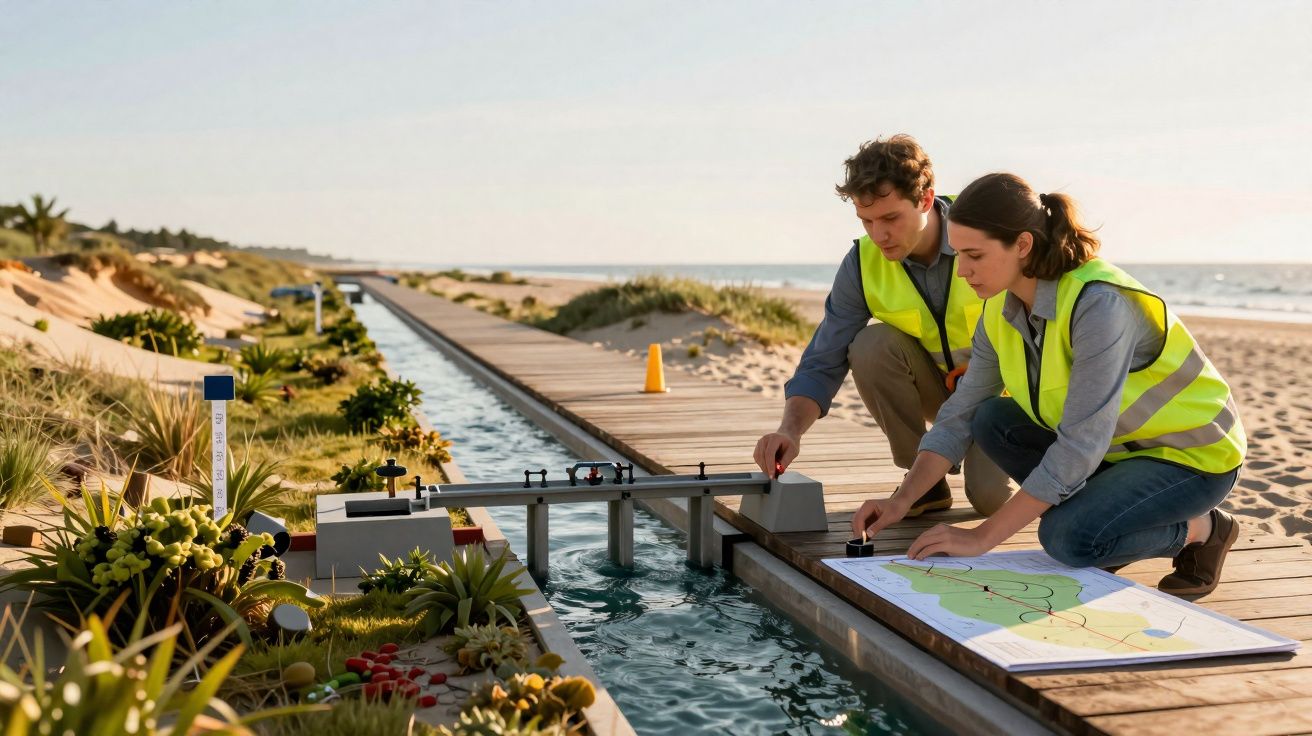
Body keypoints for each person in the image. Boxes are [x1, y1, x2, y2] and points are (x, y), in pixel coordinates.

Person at [852, 172, 1246, 597]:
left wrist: (982, 537)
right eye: (958, 253)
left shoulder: (1099, 305)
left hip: (1191, 459)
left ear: (1022, 245)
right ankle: (1104, 521)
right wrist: (902, 501)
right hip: (1117, 453)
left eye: (974, 255)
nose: (962, 270)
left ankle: (1204, 529)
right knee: (991, 418)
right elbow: (960, 413)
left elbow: (1079, 445)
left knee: (1067, 539)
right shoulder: (998, 309)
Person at [753, 135, 1012, 517]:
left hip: (1005, 396)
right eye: (867, 220)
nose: (878, 235)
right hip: (939, 390)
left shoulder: (983, 234)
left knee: (991, 501)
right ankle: (923, 482)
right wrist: (789, 430)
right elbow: (823, 359)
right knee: (869, 344)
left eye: (890, 218)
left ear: (926, 200)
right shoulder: (862, 263)